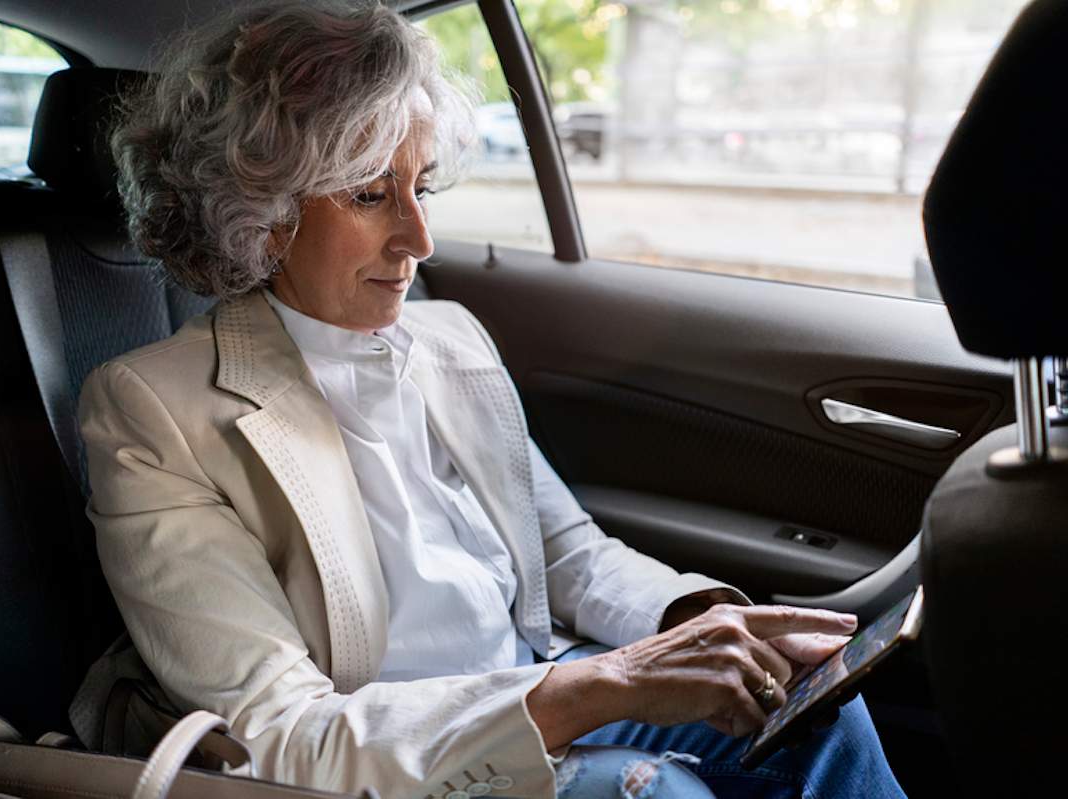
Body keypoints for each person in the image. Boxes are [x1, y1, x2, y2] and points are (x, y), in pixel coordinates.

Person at [70, 2, 906, 797]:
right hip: (404, 759)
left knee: (818, 710)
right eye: (369, 193)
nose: (418, 239)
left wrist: (712, 628)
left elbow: (570, 555)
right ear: (261, 210)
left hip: (544, 689)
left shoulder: (452, 340)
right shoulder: (152, 411)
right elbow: (283, 736)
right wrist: (602, 685)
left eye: (420, 187)